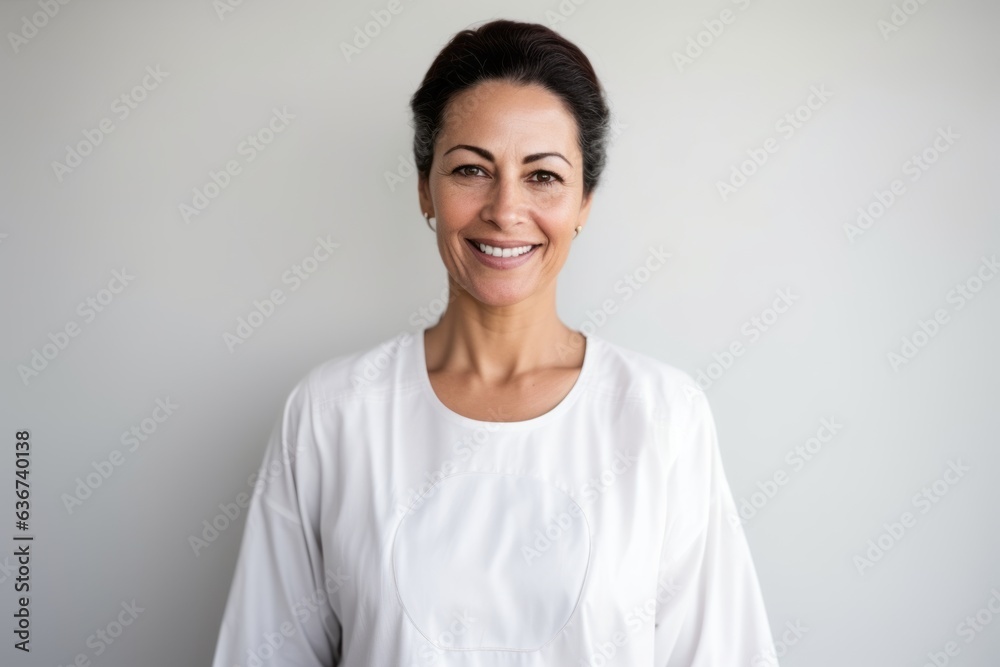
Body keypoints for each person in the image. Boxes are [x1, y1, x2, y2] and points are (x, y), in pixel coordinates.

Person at [211, 18, 778, 667]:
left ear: (584, 200)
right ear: (425, 188)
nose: (505, 210)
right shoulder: (332, 413)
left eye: (542, 176)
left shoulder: (662, 417)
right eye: (472, 170)